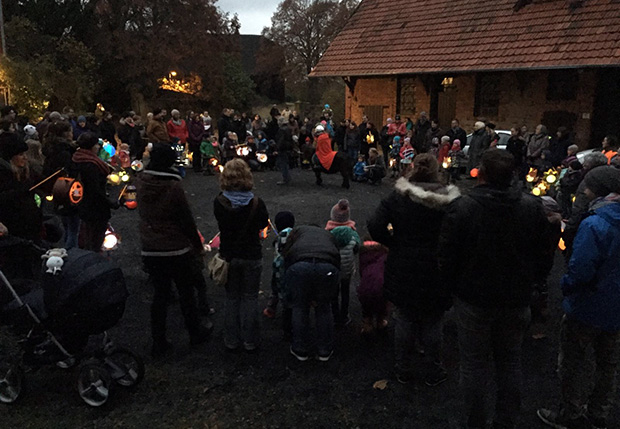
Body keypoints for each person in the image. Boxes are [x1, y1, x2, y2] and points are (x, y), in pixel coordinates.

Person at [439, 149, 553, 428]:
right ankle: (506, 420)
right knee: (510, 361)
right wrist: (534, 281)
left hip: (474, 298)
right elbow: (545, 251)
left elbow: (446, 254)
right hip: (514, 297)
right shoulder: (531, 206)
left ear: (483, 174)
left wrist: (452, 286)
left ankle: (477, 421)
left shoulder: (463, 207)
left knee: (475, 364)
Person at [537, 166, 620, 429]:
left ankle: (569, 413)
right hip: (616, 308)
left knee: (572, 361)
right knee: (608, 364)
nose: (583, 191)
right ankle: (599, 413)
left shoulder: (595, 223)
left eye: (587, 187)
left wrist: (565, 285)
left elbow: (581, 270)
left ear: (598, 190)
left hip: (587, 305)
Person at [368, 153, 460, 386]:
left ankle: (403, 368)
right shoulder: (450, 199)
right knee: (433, 319)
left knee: (405, 317)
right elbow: (459, 229)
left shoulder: (398, 196)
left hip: (404, 262)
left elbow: (374, 224)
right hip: (437, 264)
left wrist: (392, 242)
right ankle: (433, 369)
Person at [136, 143, 213, 356]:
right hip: (175, 247)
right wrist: (196, 245)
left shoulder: (141, 182)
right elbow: (186, 218)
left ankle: (158, 340)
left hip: (151, 246)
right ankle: (194, 332)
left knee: (160, 295)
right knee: (186, 291)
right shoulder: (172, 187)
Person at [214, 159, 269, 352]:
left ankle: (231, 339)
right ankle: (250, 340)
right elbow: (263, 224)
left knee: (232, 297)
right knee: (250, 297)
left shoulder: (219, 202)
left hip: (229, 255)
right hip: (252, 254)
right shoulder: (256, 203)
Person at [281, 225, 340, 362]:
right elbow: (337, 255)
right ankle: (324, 350)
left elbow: (286, 254)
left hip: (299, 265)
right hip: (327, 265)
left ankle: (300, 349)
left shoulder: (296, 232)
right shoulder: (328, 235)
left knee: (300, 307)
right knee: (324, 308)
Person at [72, 133, 118, 252]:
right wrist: (111, 203)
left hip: (82, 202)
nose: (98, 147)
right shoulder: (91, 164)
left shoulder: (76, 158)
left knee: (86, 234)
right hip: (94, 206)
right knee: (95, 238)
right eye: (97, 145)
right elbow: (95, 190)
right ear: (92, 146)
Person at [563, 152, 608, 257]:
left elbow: (581, 204)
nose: (583, 165)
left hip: (584, 222)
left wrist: (570, 226)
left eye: (586, 164)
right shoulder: (608, 177)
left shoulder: (591, 179)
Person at [325, 199, 360, 327]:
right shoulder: (353, 235)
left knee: (333, 293)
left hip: (333, 269)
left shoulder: (328, 234)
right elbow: (357, 248)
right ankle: (344, 315)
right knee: (345, 293)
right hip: (347, 269)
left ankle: (335, 315)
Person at [263, 211, 295, 323]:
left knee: (275, 288)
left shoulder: (279, 239)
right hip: (292, 268)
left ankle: (271, 308)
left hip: (278, 268)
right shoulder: (295, 235)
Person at [357, 239, 389, 337]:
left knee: (366, 306)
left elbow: (362, 272)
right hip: (382, 286)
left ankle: (367, 325)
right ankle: (380, 322)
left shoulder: (363, 256)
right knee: (382, 304)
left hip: (365, 288)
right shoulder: (385, 255)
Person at [275, 117, 294, 185]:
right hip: (287, 147)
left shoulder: (281, 130)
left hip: (283, 148)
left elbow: (281, 140)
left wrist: (277, 148)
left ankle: (285, 178)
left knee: (283, 163)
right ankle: (287, 177)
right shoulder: (288, 129)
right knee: (285, 163)